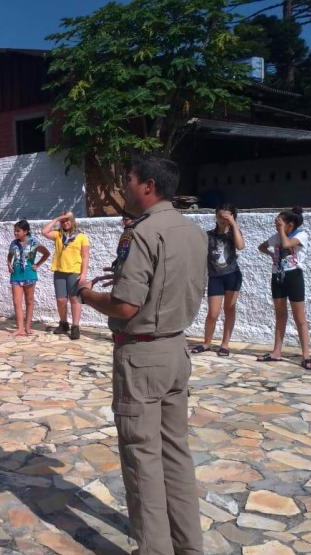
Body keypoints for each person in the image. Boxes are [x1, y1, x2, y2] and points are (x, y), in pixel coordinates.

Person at [74, 155, 205, 555]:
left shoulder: (141, 234)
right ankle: (188, 547)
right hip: (175, 350)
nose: (123, 187)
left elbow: (126, 306)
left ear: (148, 185)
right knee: (175, 454)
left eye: (127, 179)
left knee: (142, 460)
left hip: (142, 355)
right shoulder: (192, 231)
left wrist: (89, 296)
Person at [257, 207, 311, 369]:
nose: (276, 225)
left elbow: (286, 243)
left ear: (290, 224)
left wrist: (282, 231)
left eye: (279, 222)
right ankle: (276, 352)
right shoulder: (277, 236)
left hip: (294, 275)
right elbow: (261, 246)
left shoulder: (301, 235)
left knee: (299, 317)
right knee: (280, 314)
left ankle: (306, 356)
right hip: (277, 276)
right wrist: (271, 255)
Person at [192, 204, 245, 357]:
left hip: (232, 275)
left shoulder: (234, 233)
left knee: (229, 310)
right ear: (216, 216)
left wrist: (233, 223)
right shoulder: (209, 235)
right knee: (213, 313)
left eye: (226, 217)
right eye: (220, 216)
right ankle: (207, 342)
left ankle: (225, 344)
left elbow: (241, 246)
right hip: (215, 277)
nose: (223, 220)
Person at [42, 211, 90, 340]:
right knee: (61, 300)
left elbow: (85, 256)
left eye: (68, 220)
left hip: (74, 272)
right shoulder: (58, 235)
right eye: (63, 221)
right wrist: (57, 218)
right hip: (59, 272)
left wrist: (84, 273)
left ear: (72, 221)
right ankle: (63, 324)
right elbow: (44, 232)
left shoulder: (81, 237)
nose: (66, 223)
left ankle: (75, 326)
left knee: (74, 299)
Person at [7, 219, 49, 336]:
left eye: (18, 231)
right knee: (16, 302)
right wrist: (9, 264)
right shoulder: (13, 243)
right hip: (16, 275)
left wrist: (37, 265)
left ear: (25, 231)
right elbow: (9, 256)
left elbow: (46, 253)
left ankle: (28, 327)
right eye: (15, 231)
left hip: (29, 275)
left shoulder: (33, 242)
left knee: (29, 301)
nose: (15, 233)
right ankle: (20, 328)